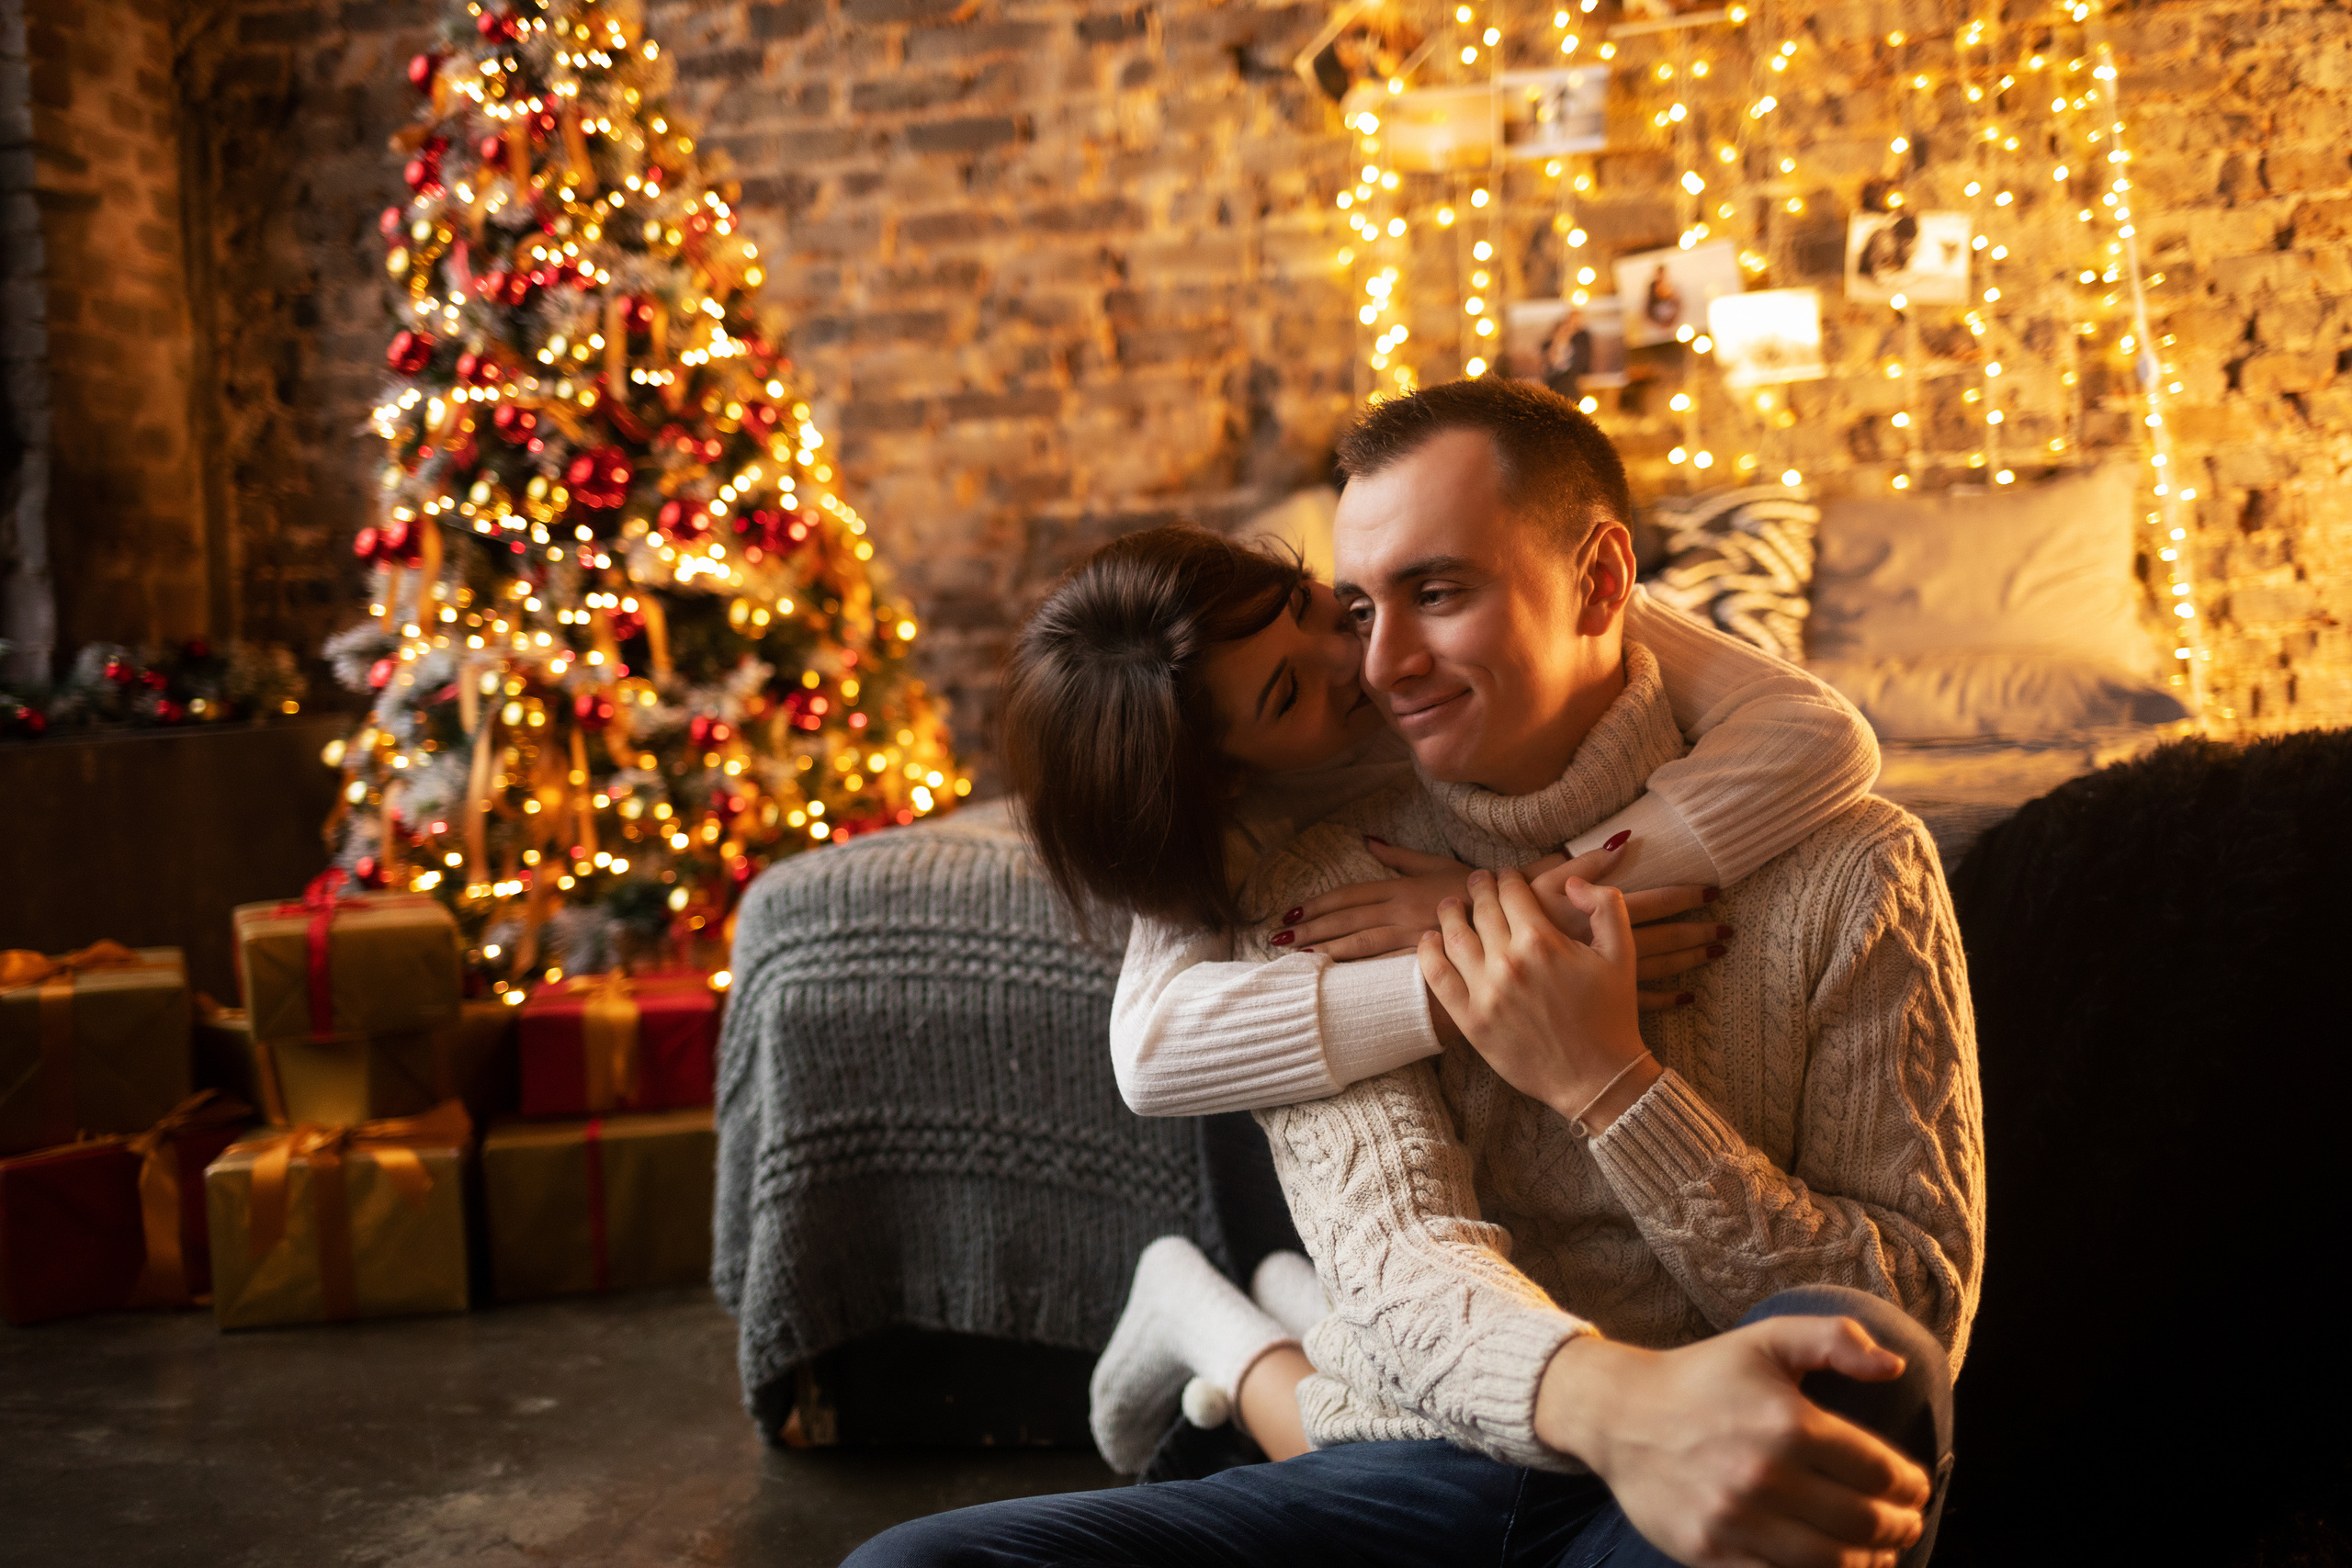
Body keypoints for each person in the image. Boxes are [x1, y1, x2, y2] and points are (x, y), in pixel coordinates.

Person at [851, 381, 1978, 1568]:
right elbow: (1387, 1255)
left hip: (1696, 1472)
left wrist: (1607, 1081)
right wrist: (1482, 971)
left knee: (1855, 1355)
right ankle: (1240, 1334)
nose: (1374, 666)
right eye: (1354, 604)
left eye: (1435, 593)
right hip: (1415, 1466)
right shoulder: (1317, 886)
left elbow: (1916, 1316)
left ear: (1603, 582)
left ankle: (1251, 1334)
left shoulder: (1857, 864)